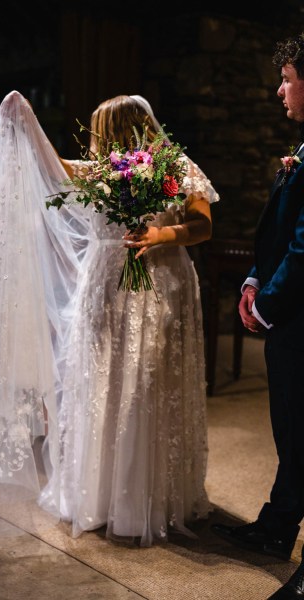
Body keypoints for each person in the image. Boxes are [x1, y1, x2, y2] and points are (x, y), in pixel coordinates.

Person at [0, 91, 219, 547]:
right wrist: (23, 115)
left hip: (159, 283)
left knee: (147, 386)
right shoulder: (99, 172)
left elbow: (203, 226)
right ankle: (99, 495)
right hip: (104, 286)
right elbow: (48, 161)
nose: (94, 139)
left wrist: (159, 233)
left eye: (100, 130)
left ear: (122, 128)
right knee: (102, 384)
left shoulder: (175, 166)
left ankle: (147, 500)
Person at [211, 32, 304, 599]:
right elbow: (280, 229)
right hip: (288, 312)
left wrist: (267, 305)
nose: (279, 90)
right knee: (292, 431)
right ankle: (277, 528)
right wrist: (252, 278)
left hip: (299, 317)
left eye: (289, 78)